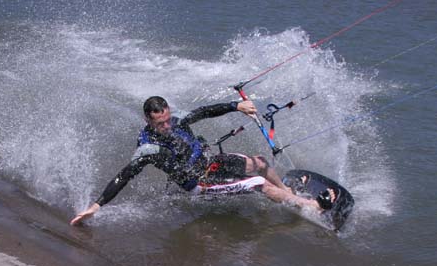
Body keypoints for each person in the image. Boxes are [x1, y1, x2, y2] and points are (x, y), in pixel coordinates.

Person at [70, 96, 333, 225]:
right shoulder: (147, 148)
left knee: (261, 163)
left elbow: (205, 112)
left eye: (167, 119)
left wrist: (235, 106)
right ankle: (310, 207)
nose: (166, 126)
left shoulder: (177, 119)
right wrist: (97, 205)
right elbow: (123, 175)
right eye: (159, 123)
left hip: (210, 164)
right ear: (148, 120)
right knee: (257, 183)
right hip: (198, 183)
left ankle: (287, 194)